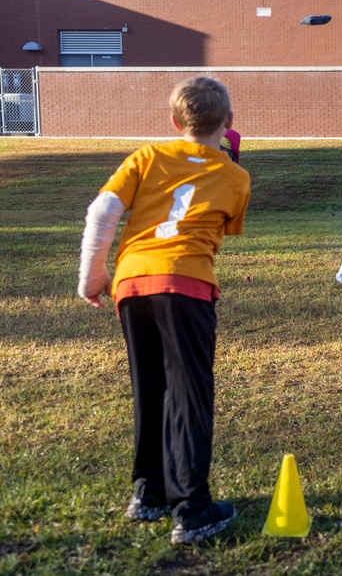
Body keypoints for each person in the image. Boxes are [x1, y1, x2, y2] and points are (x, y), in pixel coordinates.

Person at [77, 76, 251, 546]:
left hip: (133, 281)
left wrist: (92, 276)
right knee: (188, 395)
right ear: (229, 122)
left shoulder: (147, 155)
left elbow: (102, 212)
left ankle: (149, 493)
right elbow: (221, 226)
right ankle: (193, 511)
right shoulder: (236, 177)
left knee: (149, 386)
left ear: (174, 122)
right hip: (186, 284)